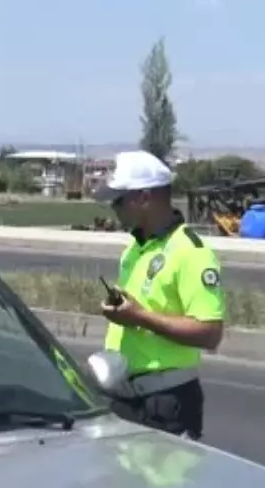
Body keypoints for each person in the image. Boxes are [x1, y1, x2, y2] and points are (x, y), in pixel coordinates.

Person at [93, 150, 225, 441]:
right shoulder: (134, 249)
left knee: (163, 486)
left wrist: (140, 316)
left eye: (118, 200)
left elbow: (210, 332)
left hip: (166, 403)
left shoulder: (190, 252)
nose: (113, 208)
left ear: (143, 198)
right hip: (125, 398)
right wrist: (123, 313)